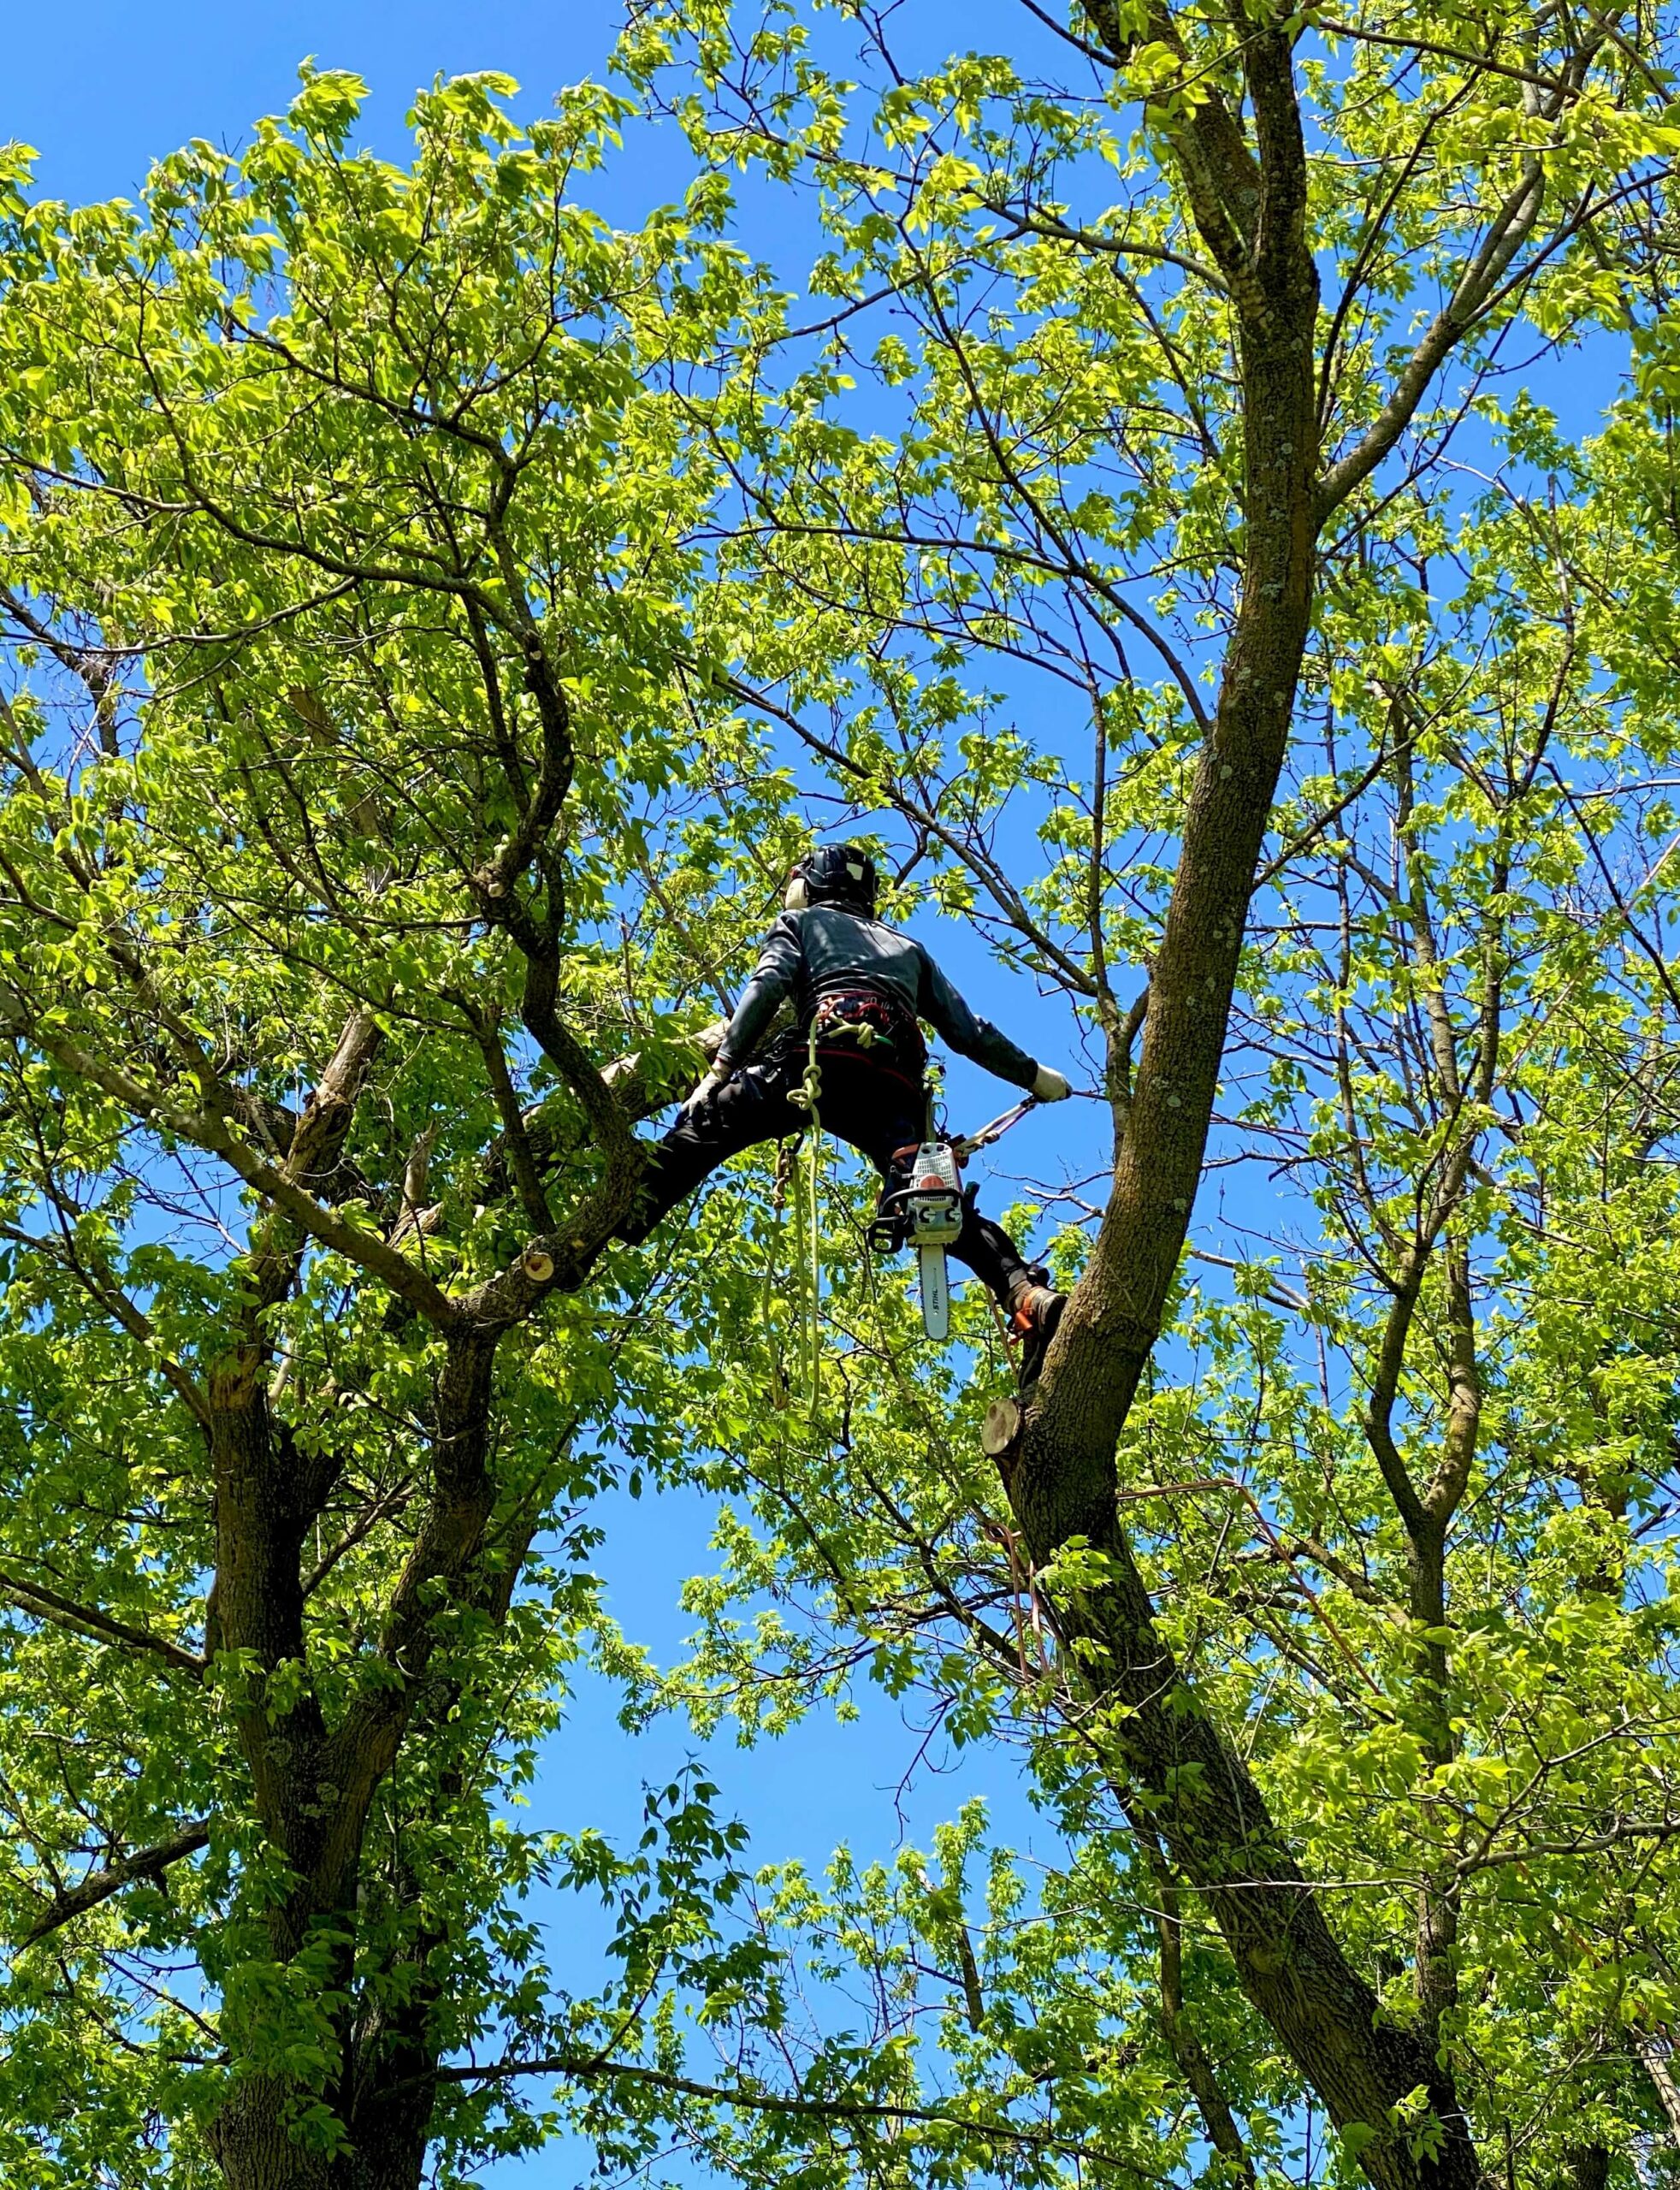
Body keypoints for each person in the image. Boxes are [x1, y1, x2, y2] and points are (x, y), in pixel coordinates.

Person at [617, 844, 1074, 1388]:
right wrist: (1034, 1076)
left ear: (809, 884)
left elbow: (766, 987)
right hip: (893, 1085)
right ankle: (1026, 1294)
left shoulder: (803, 922)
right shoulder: (910, 949)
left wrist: (720, 1069)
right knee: (932, 1198)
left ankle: (615, 1218)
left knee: (708, 1126)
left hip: (817, 1063)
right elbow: (969, 1033)